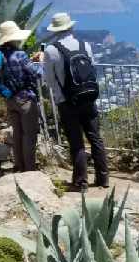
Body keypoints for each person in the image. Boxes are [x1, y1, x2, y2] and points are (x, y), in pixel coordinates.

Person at [40, 12, 108, 191]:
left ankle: (81, 182)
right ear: (71, 27)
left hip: (68, 101)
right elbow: (92, 69)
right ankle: (103, 178)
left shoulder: (50, 50)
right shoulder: (84, 45)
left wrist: (59, 98)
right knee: (95, 138)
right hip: (88, 98)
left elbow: (49, 79)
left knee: (76, 142)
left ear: (55, 30)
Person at [0, 20, 42, 173]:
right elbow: (38, 74)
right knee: (29, 135)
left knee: (18, 134)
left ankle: (19, 166)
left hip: (9, 99)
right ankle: (29, 170)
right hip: (25, 100)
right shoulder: (19, 54)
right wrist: (41, 62)